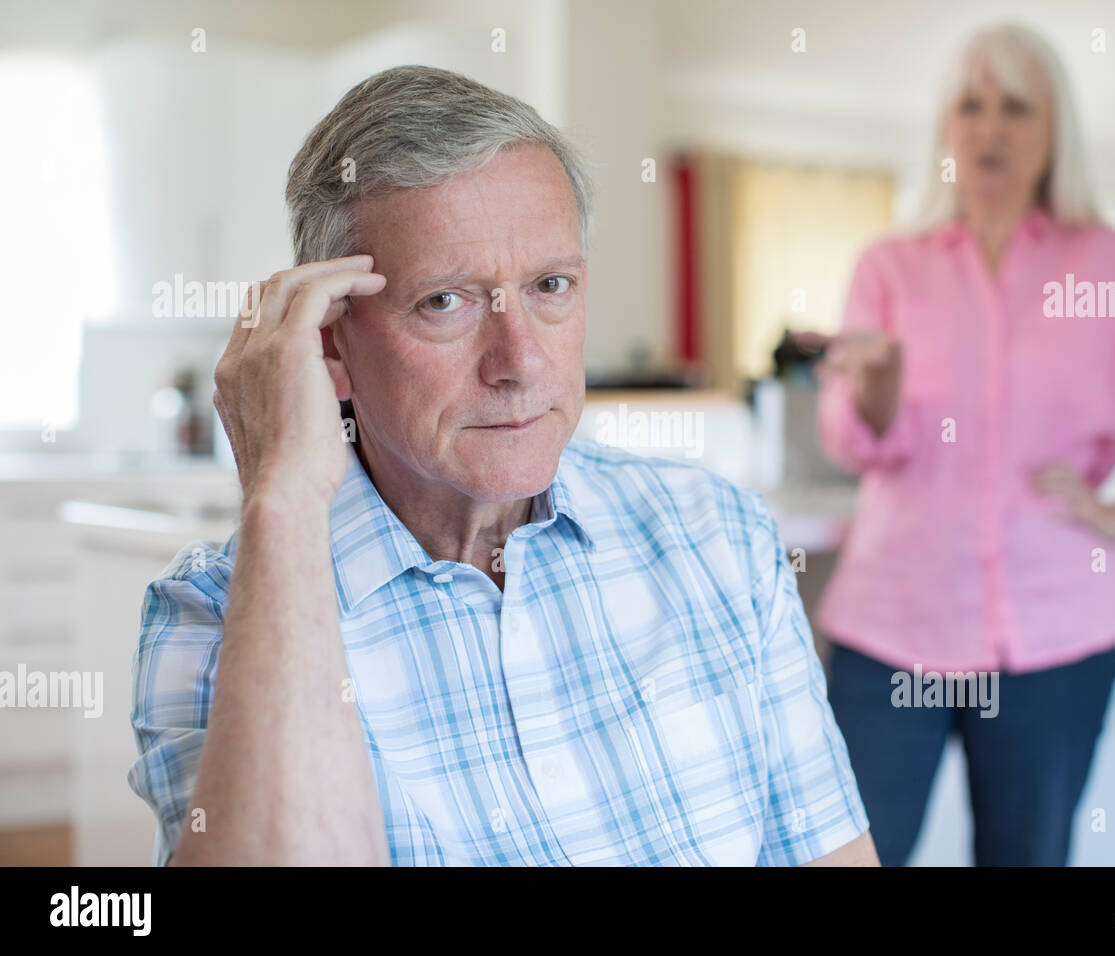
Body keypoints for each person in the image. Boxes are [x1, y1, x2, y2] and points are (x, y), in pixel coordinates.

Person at [127, 66, 877, 867]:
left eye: (550, 286)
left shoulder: (720, 535)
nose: (520, 361)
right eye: (445, 301)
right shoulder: (216, 617)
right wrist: (279, 498)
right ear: (329, 342)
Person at [811, 24, 1115, 866]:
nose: (991, 129)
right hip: (891, 628)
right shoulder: (891, 266)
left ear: (1053, 130)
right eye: (971, 106)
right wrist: (873, 393)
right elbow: (849, 438)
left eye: (1016, 108)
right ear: (945, 130)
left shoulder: (1108, 265)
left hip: (1056, 636)